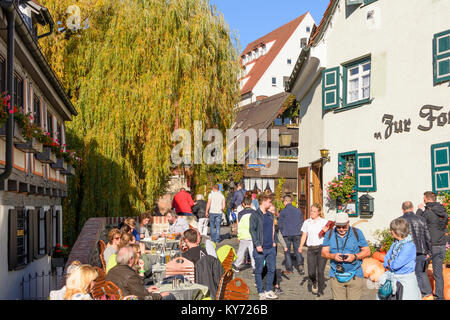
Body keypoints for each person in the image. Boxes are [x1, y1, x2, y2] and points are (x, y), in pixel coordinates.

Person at [322, 212, 370, 300]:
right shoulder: (329, 234)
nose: (341, 229)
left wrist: (354, 257)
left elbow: (367, 251)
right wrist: (333, 256)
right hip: (336, 275)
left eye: (344, 226)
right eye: (338, 226)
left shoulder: (357, 233)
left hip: (355, 275)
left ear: (348, 222)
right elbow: (324, 252)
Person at [106, 246, 174, 300]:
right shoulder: (130, 275)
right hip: (132, 298)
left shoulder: (111, 272)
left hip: (125, 297)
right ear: (131, 259)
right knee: (169, 296)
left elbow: (132, 290)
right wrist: (159, 296)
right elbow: (143, 297)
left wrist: (147, 291)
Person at [377, 218, 422, 300]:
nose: (390, 231)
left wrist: (390, 263)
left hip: (404, 281)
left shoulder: (409, 246)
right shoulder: (395, 243)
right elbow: (387, 257)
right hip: (393, 278)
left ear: (398, 231)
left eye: (392, 230)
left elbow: (396, 265)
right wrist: (389, 262)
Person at [416, 191, 448, 300]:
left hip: (430, 246)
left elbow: (417, 221)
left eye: (424, 198)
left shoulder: (427, 212)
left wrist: (420, 209)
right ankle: (440, 297)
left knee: (421, 270)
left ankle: (426, 293)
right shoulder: (443, 212)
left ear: (427, 199)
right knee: (438, 274)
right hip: (442, 245)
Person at [400, 201, 433, 299]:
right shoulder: (421, 219)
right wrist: (429, 252)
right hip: (420, 250)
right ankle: (427, 294)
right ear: (413, 208)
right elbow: (428, 237)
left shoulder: (400, 221)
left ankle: (411, 294)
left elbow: (397, 238)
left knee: (407, 274)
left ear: (402, 209)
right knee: (421, 273)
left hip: (406, 251)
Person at [250, 192, 278, 300]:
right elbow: (252, 230)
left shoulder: (270, 215)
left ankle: (269, 290)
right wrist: (257, 244)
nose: (271, 203)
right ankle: (261, 291)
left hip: (271, 247)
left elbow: (274, 230)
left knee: (271, 269)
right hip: (260, 247)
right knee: (259, 270)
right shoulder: (255, 215)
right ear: (263, 202)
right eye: (269, 202)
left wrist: (274, 240)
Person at [299, 203, 330, 297]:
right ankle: (314, 281)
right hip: (311, 249)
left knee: (320, 271)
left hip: (321, 248)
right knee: (311, 272)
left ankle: (320, 289)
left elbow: (330, 235)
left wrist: (326, 231)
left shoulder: (324, 222)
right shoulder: (307, 222)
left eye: (314, 211)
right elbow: (304, 235)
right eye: (311, 211)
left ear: (319, 212)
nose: (312, 213)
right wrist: (300, 246)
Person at [278, 195, 305, 276]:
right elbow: (301, 221)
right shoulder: (298, 210)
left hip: (287, 234)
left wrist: (282, 232)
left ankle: (289, 269)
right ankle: (300, 265)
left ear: (285, 201)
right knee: (298, 250)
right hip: (297, 233)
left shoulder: (283, 211)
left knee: (287, 251)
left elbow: (280, 224)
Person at [233, 192, 256, 271]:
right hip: (253, 235)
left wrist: (238, 235)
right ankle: (255, 267)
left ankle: (236, 265)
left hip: (243, 235)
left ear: (243, 204)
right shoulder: (255, 213)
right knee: (253, 252)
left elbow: (238, 225)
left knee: (241, 251)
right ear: (251, 203)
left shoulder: (240, 213)